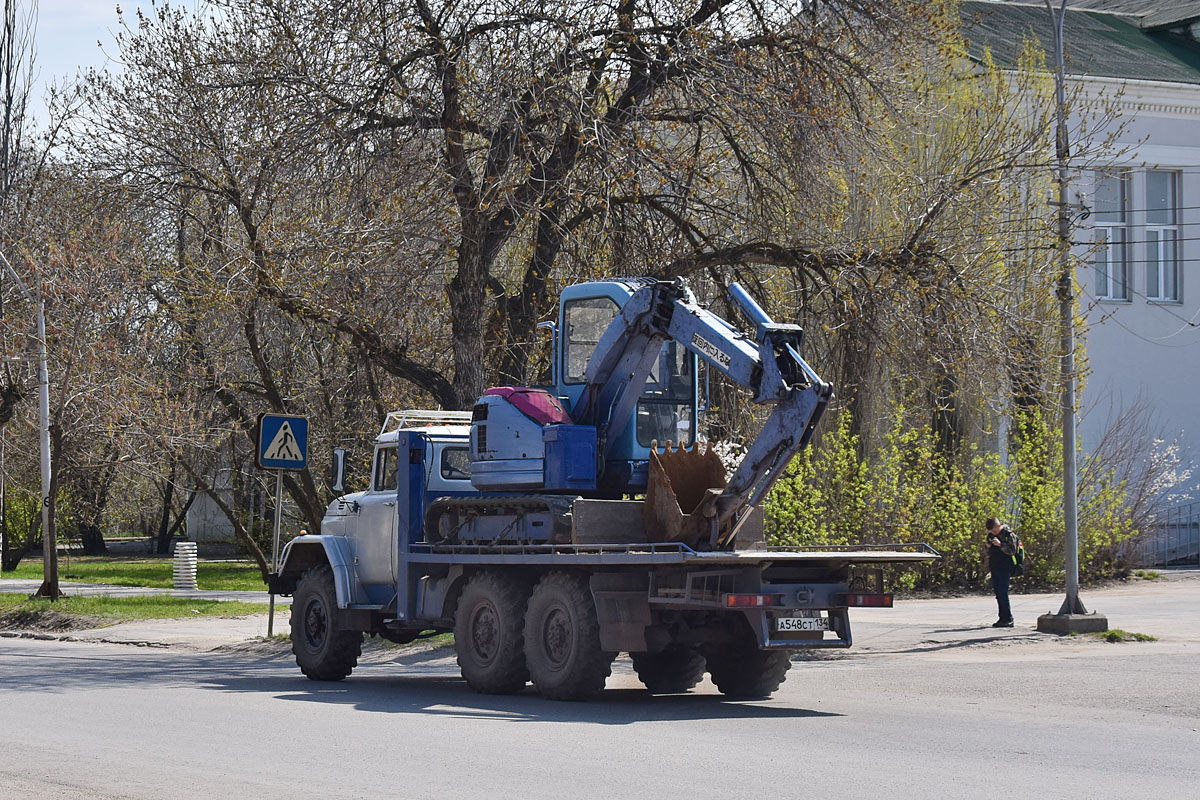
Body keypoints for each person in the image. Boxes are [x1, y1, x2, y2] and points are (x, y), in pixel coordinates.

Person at [984, 517, 1015, 627]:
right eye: (991, 532)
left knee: (1003, 593)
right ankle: (1002, 618)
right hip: (995, 566)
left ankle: (1008, 618)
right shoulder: (991, 535)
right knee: (998, 594)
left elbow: (1012, 550)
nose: (993, 533)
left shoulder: (1008, 534)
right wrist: (988, 547)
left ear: (998, 526)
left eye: (994, 531)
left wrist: (1000, 544)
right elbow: (989, 553)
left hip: (1005, 567)